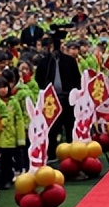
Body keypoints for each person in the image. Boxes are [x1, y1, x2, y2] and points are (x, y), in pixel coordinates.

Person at [34, 28, 80, 157]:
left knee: (70, 126)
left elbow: (77, 79)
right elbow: (39, 79)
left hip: (68, 99)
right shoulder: (44, 62)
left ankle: (73, 152)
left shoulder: (70, 61)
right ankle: (52, 154)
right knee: (52, 129)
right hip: (51, 100)